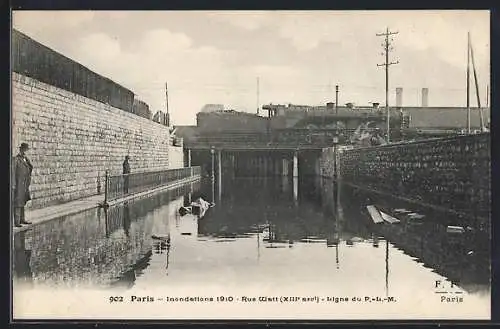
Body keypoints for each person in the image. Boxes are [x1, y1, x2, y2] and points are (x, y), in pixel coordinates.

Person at [12, 143, 33, 227]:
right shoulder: (16, 159)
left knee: (23, 200)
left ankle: (22, 219)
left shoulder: (25, 159)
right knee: (18, 202)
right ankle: (17, 222)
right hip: (18, 184)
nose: (25, 151)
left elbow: (30, 167)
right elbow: (13, 172)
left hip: (24, 184)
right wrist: (13, 184)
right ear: (21, 149)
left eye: (26, 150)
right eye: (24, 149)